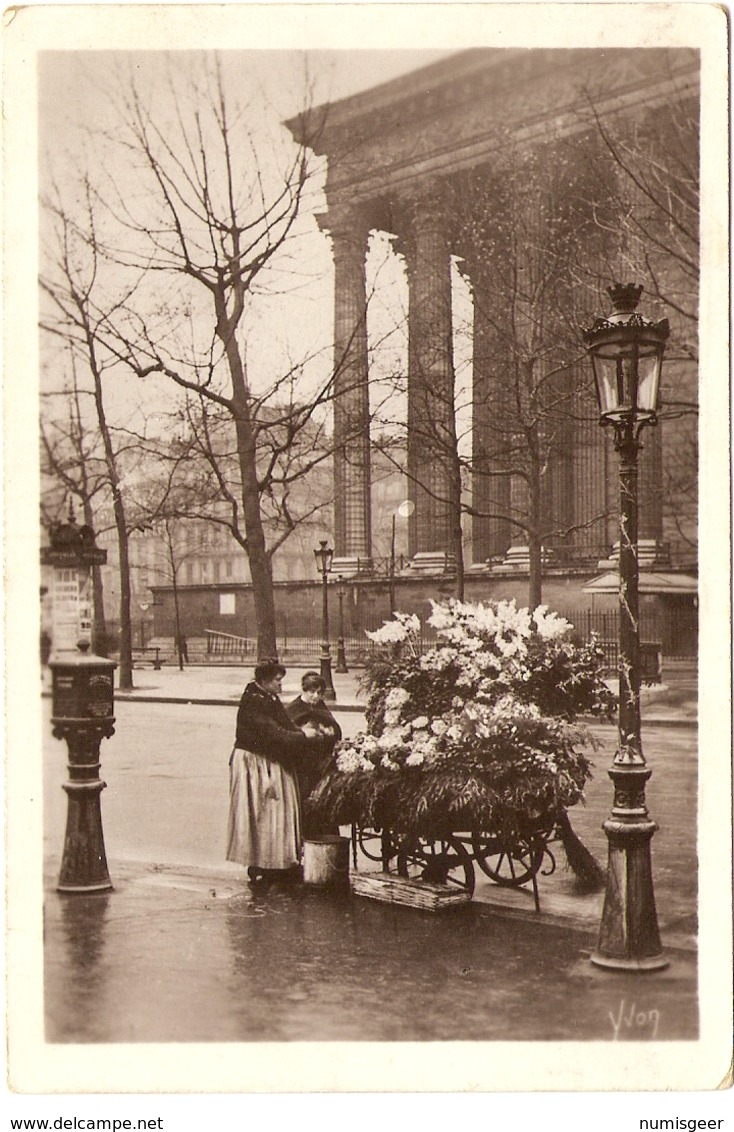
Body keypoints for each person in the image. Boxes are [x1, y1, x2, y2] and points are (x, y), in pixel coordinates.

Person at [226, 660, 328, 886]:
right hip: (254, 762)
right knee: (263, 812)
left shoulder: (268, 697)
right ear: (264, 681)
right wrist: (303, 736)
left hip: (268, 759)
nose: (280, 685)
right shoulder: (253, 700)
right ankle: (262, 864)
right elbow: (270, 732)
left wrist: (304, 732)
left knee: (276, 810)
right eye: (277, 680)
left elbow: (284, 723)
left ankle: (277, 862)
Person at [287, 672, 342, 839]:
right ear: (304, 690)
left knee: (324, 801)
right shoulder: (293, 709)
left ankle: (325, 840)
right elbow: (288, 735)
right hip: (302, 766)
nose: (315, 696)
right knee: (305, 802)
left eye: (319, 693)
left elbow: (335, 731)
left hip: (321, 765)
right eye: (311, 692)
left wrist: (329, 733)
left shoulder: (321, 707)